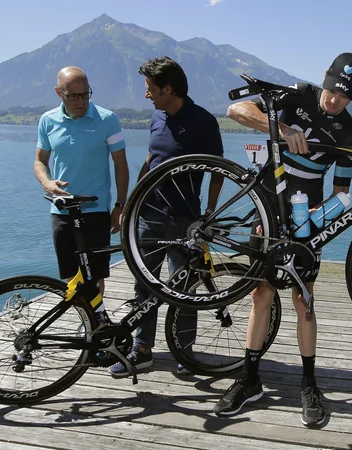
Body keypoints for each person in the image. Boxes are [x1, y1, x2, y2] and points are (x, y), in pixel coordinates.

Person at [212, 53, 352, 428]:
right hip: (267, 211)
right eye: (333, 90)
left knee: (303, 301)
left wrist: (313, 222)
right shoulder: (297, 95)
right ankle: (250, 379)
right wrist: (280, 129)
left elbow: (342, 192)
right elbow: (235, 110)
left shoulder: (348, 131)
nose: (335, 100)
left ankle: (310, 384)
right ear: (325, 79)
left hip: (305, 221)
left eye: (345, 96)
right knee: (260, 294)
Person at [109, 56, 225, 377]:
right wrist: (131, 201)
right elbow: (151, 160)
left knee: (185, 293)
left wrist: (210, 213)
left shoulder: (203, 122)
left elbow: (218, 172)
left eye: (150, 88)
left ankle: (184, 353)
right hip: (148, 218)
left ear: (168, 88)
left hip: (186, 221)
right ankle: (142, 350)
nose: (146, 95)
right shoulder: (157, 118)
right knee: (144, 287)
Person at [33, 66, 129, 319]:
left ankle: (96, 320)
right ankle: (85, 320)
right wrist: (47, 183)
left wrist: (120, 205)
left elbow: (121, 164)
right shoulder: (48, 120)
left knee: (95, 274)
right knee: (71, 274)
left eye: (85, 95)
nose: (80, 102)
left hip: (95, 209)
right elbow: (39, 161)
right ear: (59, 93)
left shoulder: (107, 119)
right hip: (61, 208)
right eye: (73, 96)